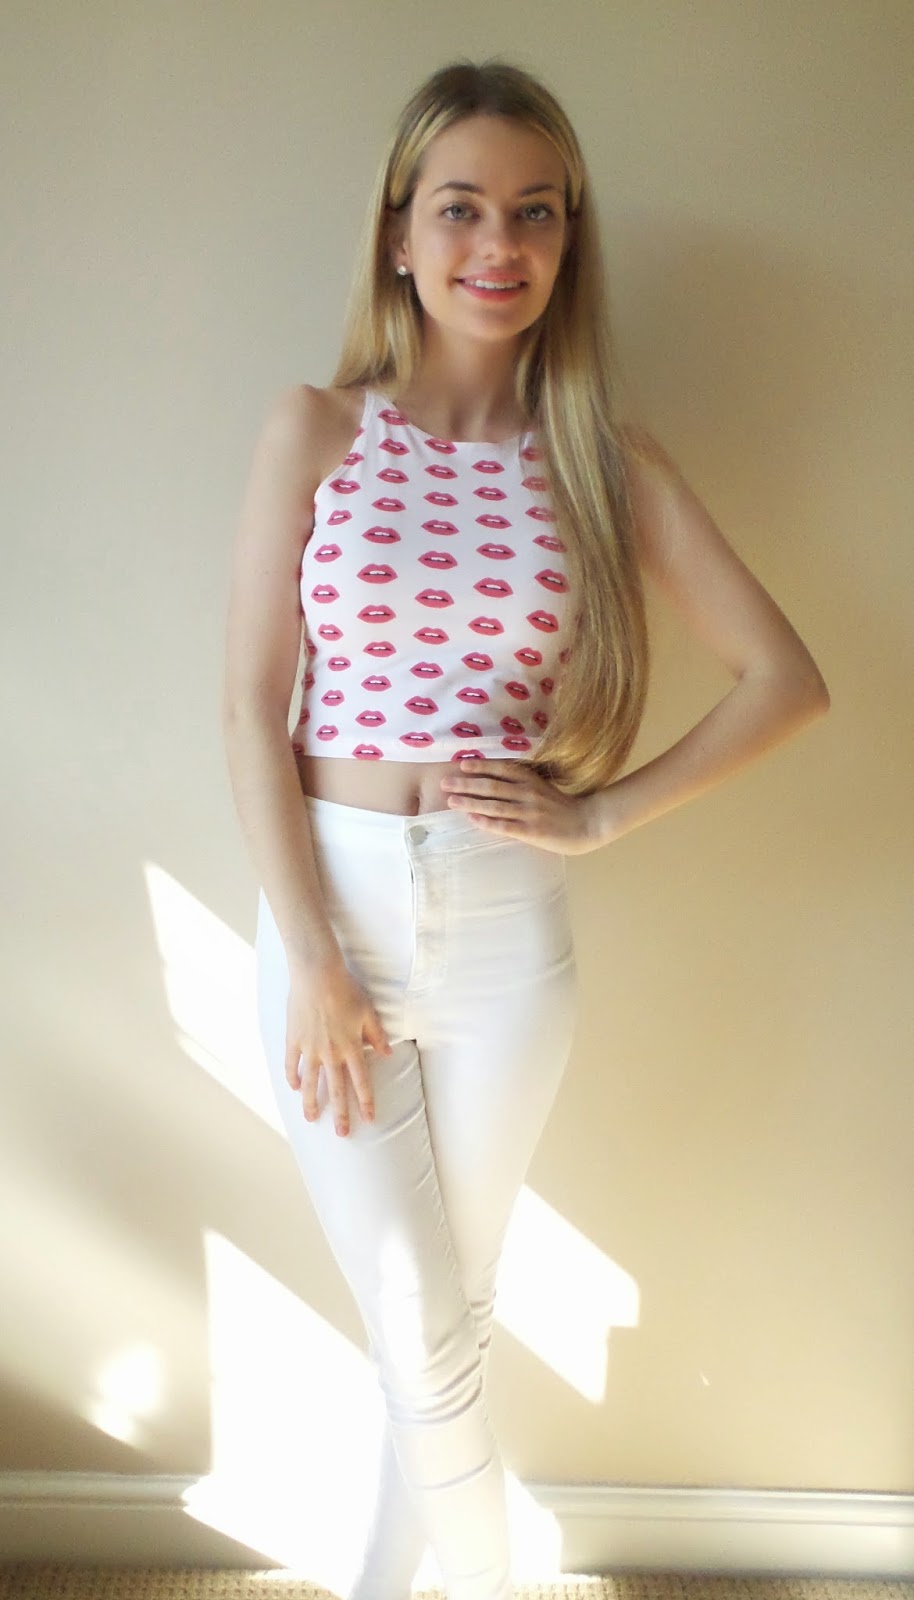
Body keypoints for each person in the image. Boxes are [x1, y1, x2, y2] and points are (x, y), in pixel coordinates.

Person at [222, 57, 830, 1600]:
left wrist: (603, 813)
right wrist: (312, 958)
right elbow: (247, 711)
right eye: (461, 208)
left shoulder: (603, 461)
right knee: (422, 1324)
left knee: (440, 1328)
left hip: (507, 936)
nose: (499, 244)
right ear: (397, 233)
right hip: (334, 916)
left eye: (536, 213)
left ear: (569, 239)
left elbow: (785, 680)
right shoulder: (315, 431)